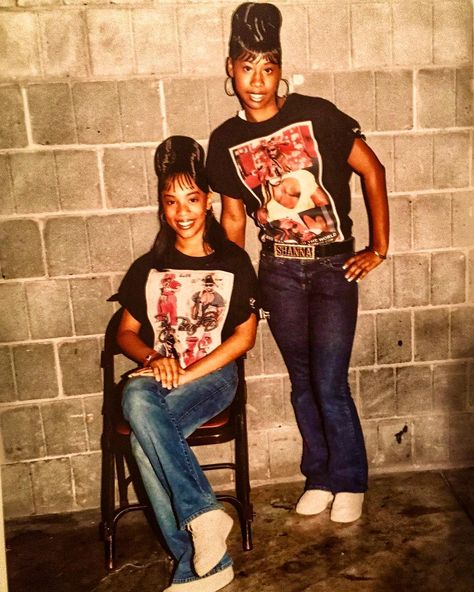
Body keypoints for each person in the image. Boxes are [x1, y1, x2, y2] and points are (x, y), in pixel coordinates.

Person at [206, 2, 389, 523]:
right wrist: (235, 289)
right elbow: (235, 223)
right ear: (230, 69)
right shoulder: (224, 141)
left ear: (280, 68)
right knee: (302, 380)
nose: (257, 80)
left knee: (330, 381)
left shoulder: (319, 114)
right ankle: (321, 476)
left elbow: (372, 170)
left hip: (333, 269)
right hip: (278, 272)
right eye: (246, 67)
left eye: (267, 67)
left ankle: (349, 478)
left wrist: (378, 247)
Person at [117, 135, 258, 592]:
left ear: (209, 201)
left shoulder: (232, 261)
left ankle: (192, 558)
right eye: (171, 201)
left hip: (213, 378)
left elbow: (245, 336)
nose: (182, 212)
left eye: (192, 199)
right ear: (162, 207)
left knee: (143, 434)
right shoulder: (150, 265)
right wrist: (156, 359)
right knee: (135, 394)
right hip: (162, 378)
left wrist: (187, 371)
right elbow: (125, 333)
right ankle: (206, 542)